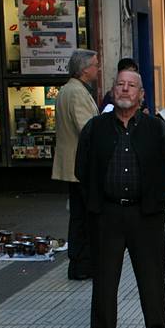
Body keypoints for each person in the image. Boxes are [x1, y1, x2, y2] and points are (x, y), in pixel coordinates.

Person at [75, 69, 165, 328]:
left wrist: (156, 200)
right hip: (106, 214)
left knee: (152, 279)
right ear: (112, 90)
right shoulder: (95, 128)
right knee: (105, 280)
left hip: (145, 215)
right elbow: (82, 169)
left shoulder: (154, 128)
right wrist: (94, 203)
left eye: (131, 85)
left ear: (140, 94)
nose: (124, 89)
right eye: (120, 84)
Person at [53, 49, 100, 280]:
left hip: (73, 164)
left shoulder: (69, 89)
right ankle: (82, 263)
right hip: (79, 165)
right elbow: (87, 129)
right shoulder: (76, 93)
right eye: (95, 65)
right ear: (83, 70)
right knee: (84, 216)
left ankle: (81, 262)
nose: (97, 69)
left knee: (80, 215)